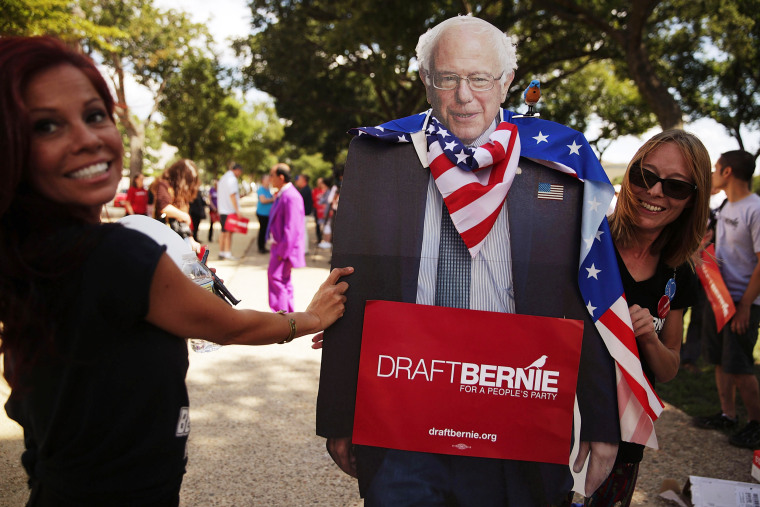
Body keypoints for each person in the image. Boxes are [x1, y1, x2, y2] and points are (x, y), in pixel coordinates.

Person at [0, 35, 352, 506]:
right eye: (46, 126)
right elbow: (227, 324)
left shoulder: (29, 255)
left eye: (94, 115)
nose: (85, 138)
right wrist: (309, 318)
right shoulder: (116, 255)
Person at [316, 15, 650, 506]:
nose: (464, 96)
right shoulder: (376, 154)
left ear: (507, 81)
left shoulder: (559, 163)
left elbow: (586, 296)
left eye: (479, 78)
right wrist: (340, 415)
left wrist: (602, 421)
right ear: (427, 81)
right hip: (403, 414)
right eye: (448, 78)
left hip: (518, 412)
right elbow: (350, 286)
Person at [579, 130, 710, 506]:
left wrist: (647, 338)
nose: (654, 192)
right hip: (563, 424)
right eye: (644, 175)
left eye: (676, 187)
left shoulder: (678, 273)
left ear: (692, 201)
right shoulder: (587, 241)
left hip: (623, 442)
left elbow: (669, 367)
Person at [693, 150, 760, 449]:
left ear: (729, 172)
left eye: (716, 169)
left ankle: (756, 424)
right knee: (720, 359)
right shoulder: (725, 206)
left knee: (739, 364)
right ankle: (727, 414)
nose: (713, 174)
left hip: (743, 302)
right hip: (718, 297)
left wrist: (746, 304)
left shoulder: (754, 209)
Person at [267, 163, 306, 313]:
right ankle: (288, 317)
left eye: (272, 175)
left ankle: (281, 318)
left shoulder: (291, 196)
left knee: (276, 280)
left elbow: (292, 228)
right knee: (283, 281)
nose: (270, 179)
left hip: (284, 248)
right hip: (280, 246)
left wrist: (282, 252)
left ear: (280, 177)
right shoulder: (284, 193)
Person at [152, 158, 202, 251]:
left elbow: (184, 222)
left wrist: (191, 239)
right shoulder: (164, 185)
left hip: (181, 236)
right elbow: (164, 207)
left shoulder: (181, 192)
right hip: (165, 236)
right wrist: (184, 215)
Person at [217, 162, 243, 260]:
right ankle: (227, 252)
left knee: (223, 231)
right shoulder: (232, 179)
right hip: (229, 210)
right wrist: (238, 210)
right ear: (238, 170)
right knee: (228, 232)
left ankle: (222, 251)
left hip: (223, 209)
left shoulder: (223, 178)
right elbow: (232, 195)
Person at [256, 174, 275, 254]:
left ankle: (263, 246)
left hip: (267, 214)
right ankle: (261, 247)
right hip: (262, 213)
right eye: (267, 179)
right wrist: (272, 199)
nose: (269, 181)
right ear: (263, 180)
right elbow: (263, 200)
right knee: (262, 230)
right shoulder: (261, 189)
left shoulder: (268, 189)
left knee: (265, 231)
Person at [295, 174, 313, 252]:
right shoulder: (304, 189)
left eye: (298, 179)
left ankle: (304, 249)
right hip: (304, 214)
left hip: (304, 214)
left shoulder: (306, 190)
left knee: (303, 232)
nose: (297, 181)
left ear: (303, 180)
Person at [312, 177, 328, 244]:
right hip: (317, 210)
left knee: (325, 225)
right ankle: (319, 239)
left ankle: (326, 239)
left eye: (321, 182)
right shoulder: (315, 190)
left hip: (325, 211)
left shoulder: (326, 190)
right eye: (318, 183)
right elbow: (313, 200)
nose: (320, 184)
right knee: (318, 225)